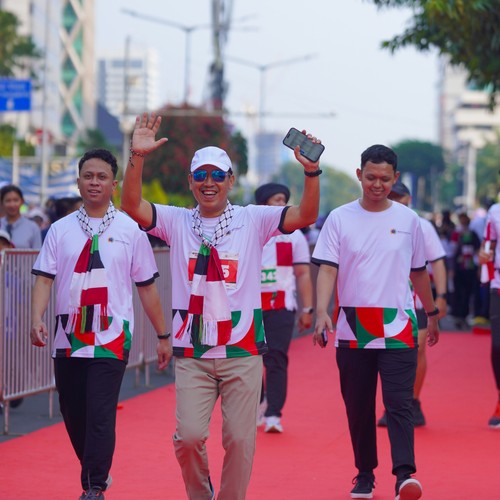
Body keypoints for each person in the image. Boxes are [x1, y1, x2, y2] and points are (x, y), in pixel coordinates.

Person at [120, 112, 321, 500]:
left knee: (240, 441)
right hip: (193, 351)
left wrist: (311, 172)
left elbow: (306, 215)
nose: (208, 182)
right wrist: (138, 156)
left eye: (217, 175)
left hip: (241, 350)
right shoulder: (177, 221)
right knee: (189, 437)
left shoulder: (253, 219)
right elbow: (131, 205)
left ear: (231, 180)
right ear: (190, 181)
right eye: (201, 175)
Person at [30, 148, 172, 500]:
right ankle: (97, 470)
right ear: (78, 182)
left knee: (100, 412)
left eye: (102, 177)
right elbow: (44, 279)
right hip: (68, 336)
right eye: (88, 176)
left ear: (114, 184)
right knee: (73, 411)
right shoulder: (59, 230)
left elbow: (147, 287)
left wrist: (163, 335)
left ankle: (93, 486)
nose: (95, 182)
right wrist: (36, 317)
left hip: (112, 336)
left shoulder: (131, 230)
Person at [312, 145, 439, 500]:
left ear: (395, 178)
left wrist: (432, 313)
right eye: (371, 177)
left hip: (398, 327)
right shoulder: (340, 218)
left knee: (399, 404)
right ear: (359, 175)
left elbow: (418, 271)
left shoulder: (409, 220)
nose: (377, 185)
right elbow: (328, 268)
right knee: (359, 406)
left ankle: (404, 475)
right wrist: (321, 311)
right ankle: (365, 474)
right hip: (353, 328)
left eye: (385, 178)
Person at [377, 181, 447, 428]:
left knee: (416, 350)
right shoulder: (373, 222)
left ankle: (412, 401)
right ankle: (393, 404)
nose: (397, 201)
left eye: (401, 197)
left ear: (409, 199)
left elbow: (437, 261)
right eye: (393, 196)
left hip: (415, 299)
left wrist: (441, 296)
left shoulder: (421, 225)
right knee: (385, 353)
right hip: (381, 300)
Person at [254, 182, 314, 433]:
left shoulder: (294, 235)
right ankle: (257, 404)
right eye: (276, 199)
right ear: (263, 203)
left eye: (283, 200)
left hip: (281, 306)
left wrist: (307, 309)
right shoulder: (250, 230)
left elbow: (302, 273)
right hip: (250, 306)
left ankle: (274, 414)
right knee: (251, 360)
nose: (281, 204)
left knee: (276, 359)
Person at [479, 198, 500, 428]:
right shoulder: (495, 212)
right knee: (497, 346)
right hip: (498, 284)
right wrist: (483, 255)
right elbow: (487, 245)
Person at [450, 212, 481, 329]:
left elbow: (477, 249)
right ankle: (458, 315)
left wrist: (478, 266)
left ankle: (465, 314)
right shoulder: (456, 233)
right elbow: (451, 251)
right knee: (458, 292)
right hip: (459, 268)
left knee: (468, 292)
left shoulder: (472, 234)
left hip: (470, 268)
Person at [0, 184, 42, 249]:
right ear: (2, 203)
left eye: (15, 200)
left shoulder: (33, 228)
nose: (12, 205)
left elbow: (38, 252)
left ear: (22, 201)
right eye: (8, 201)